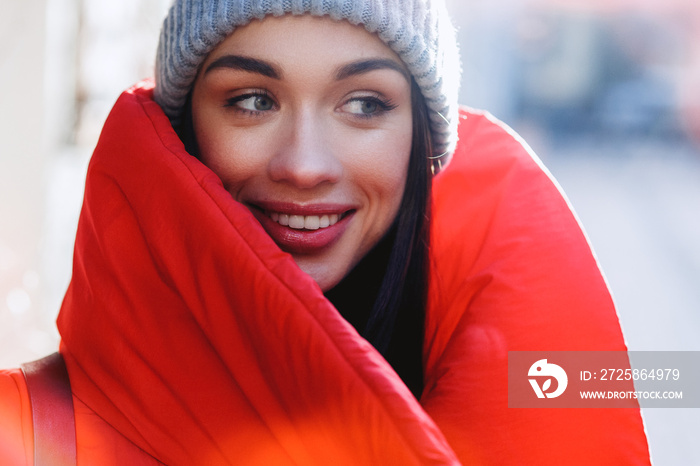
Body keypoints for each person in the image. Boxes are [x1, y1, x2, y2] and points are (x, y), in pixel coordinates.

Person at [1, 0, 651, 464]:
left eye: (364, 104)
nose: (304, 165)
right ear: (182, 131)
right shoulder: (26, 439)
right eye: (252, 100)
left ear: (420, 142)